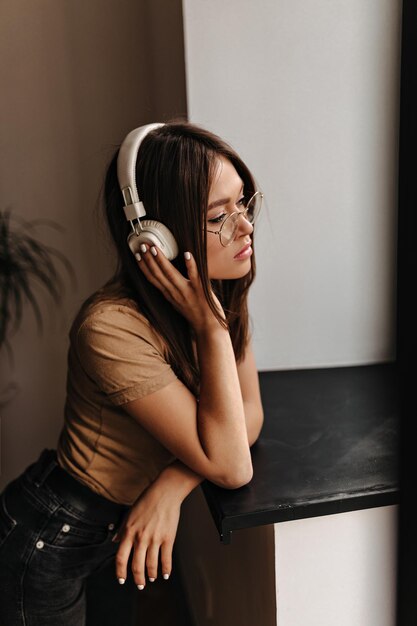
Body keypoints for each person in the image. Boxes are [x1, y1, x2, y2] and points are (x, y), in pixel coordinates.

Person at [0, 121, 264, 625]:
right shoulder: (109, 329)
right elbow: (231, 463)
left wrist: (173, 482)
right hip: (51, 536)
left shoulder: (220, 291)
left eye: (243, 203)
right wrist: (211, 332)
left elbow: (249, 414)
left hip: (115, 529)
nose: (245, 226)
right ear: (155, 237)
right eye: (219, 215)